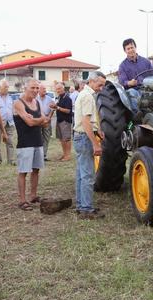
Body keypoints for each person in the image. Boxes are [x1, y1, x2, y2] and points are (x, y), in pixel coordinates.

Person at [73, 71, 106, 219]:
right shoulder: (87, 97)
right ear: (92, 81)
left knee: (81, 174)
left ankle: (81, 205)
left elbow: (89, 120)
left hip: (80, 137)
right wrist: (95, 144)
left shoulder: (84, 94)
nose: (101, 88)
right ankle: (86, 209)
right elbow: (86, 122)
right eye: (100, 85)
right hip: (84, 138)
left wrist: (98, 130)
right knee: (87, 175)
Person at [13, 78, 50, 210]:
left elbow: (45, 122)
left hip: (37, 141)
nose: (35, 91)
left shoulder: (37, 102)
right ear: (25, 88)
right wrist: (40, 120)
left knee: (36, 170)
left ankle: (33, 196)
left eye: (37, 88)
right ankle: (22, 200)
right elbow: (30, 123)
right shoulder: (18, 103)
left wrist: (37, 120)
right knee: (23, 171)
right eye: (32, 88)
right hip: (25, 143)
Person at [118, 38, 153, 114]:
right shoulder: (123, 66)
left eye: (132, 47)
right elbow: (122, 82)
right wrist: (129, 83)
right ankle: (137, 115)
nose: (131, 50)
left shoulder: (146, 62)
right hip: (134, 90)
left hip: (147, 89)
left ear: (135, 48)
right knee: (131, 92)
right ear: (125, 51)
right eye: (128, 49)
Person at [0, 79, 16, 166]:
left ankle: (11, 161)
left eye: (7, 87)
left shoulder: (10, 97)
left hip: (9, 122)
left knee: (10, 142)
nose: (7, 88)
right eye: (5, 87)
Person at [51, 83, 73, 161]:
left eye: (59, 88)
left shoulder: (67, 98)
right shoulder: (59, 98)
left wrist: (57, 107)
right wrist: (54, 106)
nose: (58, 90)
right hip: (59, 120)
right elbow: (57, 107)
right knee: (61, 139)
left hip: (65, 121)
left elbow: (68, 111)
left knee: (66, 139)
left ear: (63, 89)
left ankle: (68, 156)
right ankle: (64, 154)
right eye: (57, 89)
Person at [36, 83, 54, 161]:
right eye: (43, 89)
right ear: (39, 90)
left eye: (45, 89)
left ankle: (44, 155)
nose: (45, 90)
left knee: (46, 137)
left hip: (47, 120)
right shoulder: (35, 99)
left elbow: (53, 109)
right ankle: (38, 155)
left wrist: (49, 117)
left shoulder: (49, 99)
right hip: (39, 120)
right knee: (39, 138)